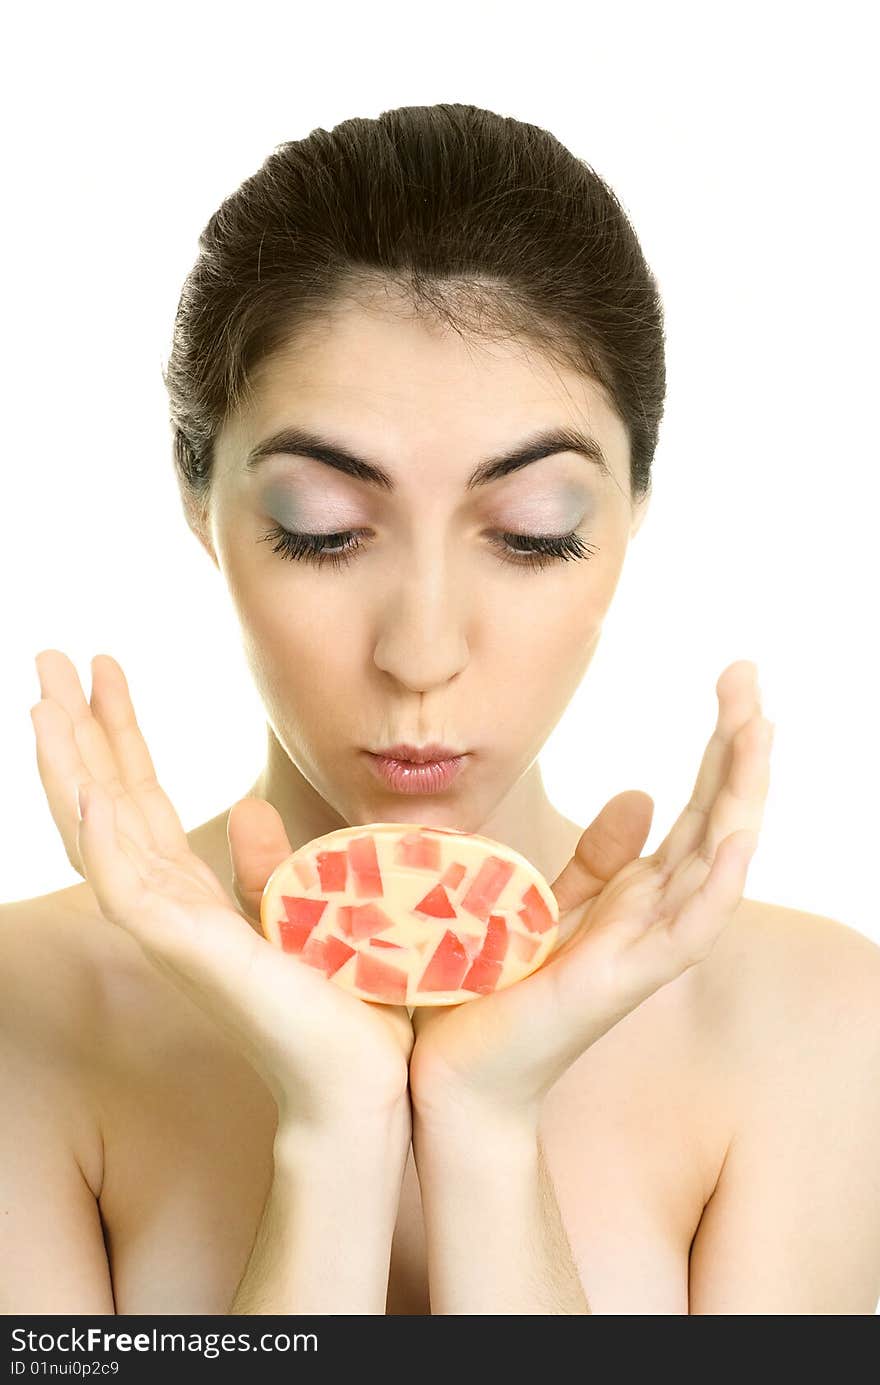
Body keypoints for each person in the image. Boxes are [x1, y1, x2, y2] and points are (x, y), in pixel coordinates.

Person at [3, 102, 879, 1317]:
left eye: (531, 535)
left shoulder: (816, 1024)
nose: (421, 652)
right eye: (321, 530)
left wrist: (482, 1130)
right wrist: (333, 1132)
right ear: (200, 503)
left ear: (630, 514)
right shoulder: (23, 1013)